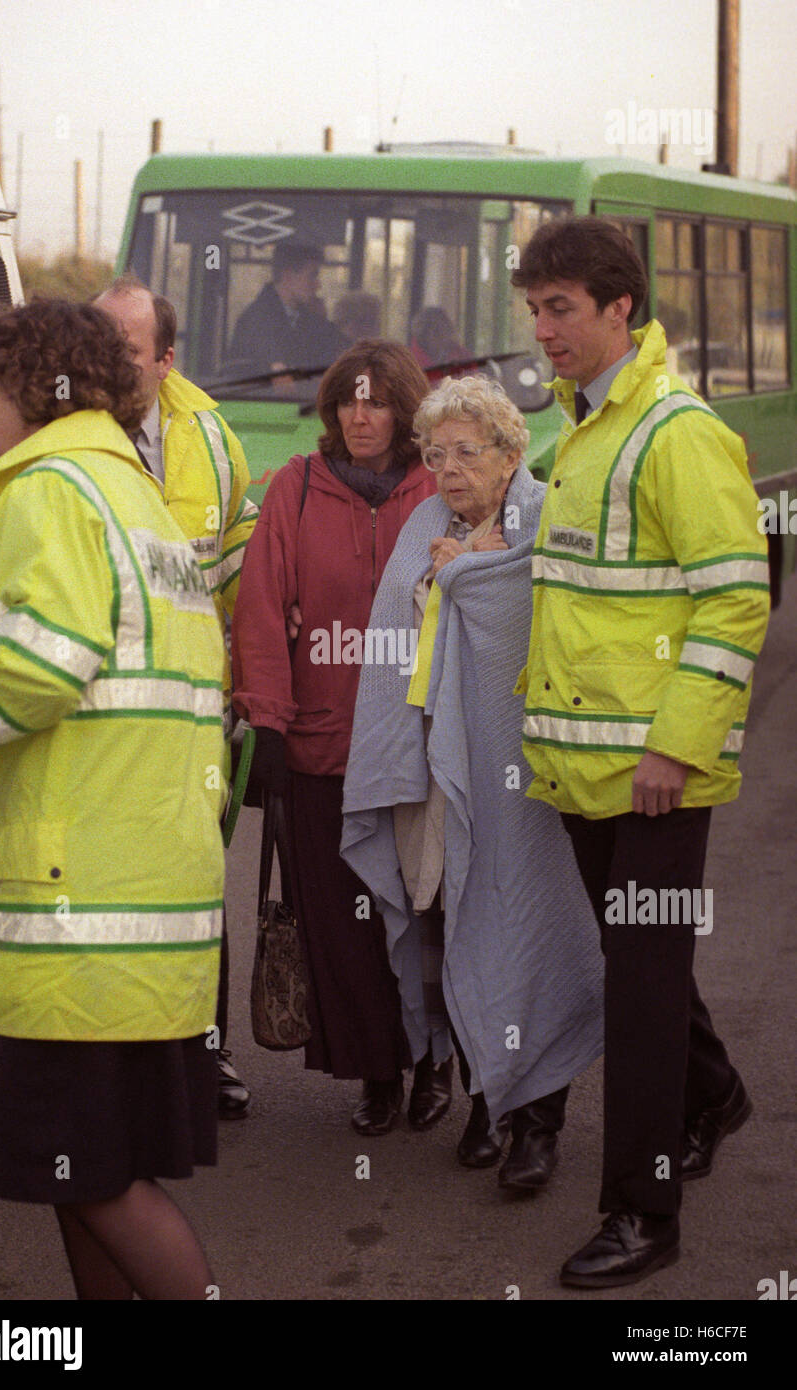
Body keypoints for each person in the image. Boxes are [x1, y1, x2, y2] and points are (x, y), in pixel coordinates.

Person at [0, 298, 225, 1299]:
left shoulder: (48, 488)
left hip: (85, 912)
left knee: (97, 1182)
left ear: (28, 390)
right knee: (87, 1174)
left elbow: (38, 667)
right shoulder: (129, 491)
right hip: (144, 894)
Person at [511, 216, 770, 1287]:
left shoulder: (674, 430)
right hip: (584, 772)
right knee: (634, 966)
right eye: (532, 310)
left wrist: (673, 746)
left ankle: (641, 1210)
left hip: (655, 779)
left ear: (621, 308)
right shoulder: (577, 426)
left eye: (560, 308)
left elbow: (734, 593)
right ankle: (711, 1095)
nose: (542, 330)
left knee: (640, 996)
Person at [342, 375, 603, 1184]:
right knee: (452, 922)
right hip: (431, 760)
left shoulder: (537, 518)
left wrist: (463, 579)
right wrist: (450, 572)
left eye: (466, 451)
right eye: (434, 454)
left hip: (519, 767)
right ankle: (490, 1096)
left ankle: (538, 1124)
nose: (448, 469)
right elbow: (392, 636)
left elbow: (527, 616)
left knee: (524, 924)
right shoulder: (426, 522)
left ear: (510, 452)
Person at [231, 340, 446, 1136]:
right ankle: (378, 1074)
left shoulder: (437, 491)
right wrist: (268, 722)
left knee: (421, 919)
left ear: (403, 409)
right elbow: (260, 610)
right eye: (349, 401)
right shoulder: (294, 489)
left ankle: (434, 1064)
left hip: (419, 752)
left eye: (377, 400)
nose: (361, 415)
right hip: (322, 751)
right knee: (346, 927)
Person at [94, 274, 258, 1120]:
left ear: (165, 359)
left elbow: (239, 559)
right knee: (108, 882)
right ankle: (118, 1062)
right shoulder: (69, 434)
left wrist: (244, 678)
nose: (107, 365)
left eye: (125, 350)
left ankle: (205, 1055)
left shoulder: (213, 439)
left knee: (197, 879)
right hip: (101, 717)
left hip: (194, 712)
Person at [228, 240, 345, 387]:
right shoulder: (254, 321)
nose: (318, 285)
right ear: (288, 276)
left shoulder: (313, 322)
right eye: (312, 275)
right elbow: (241, 373)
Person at [410, 306, 473, 383]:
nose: (433, 335)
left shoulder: (462, 356)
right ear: (421, 334)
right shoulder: (410, 361)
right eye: (428, 329)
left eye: (440, 329)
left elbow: (472, 383)